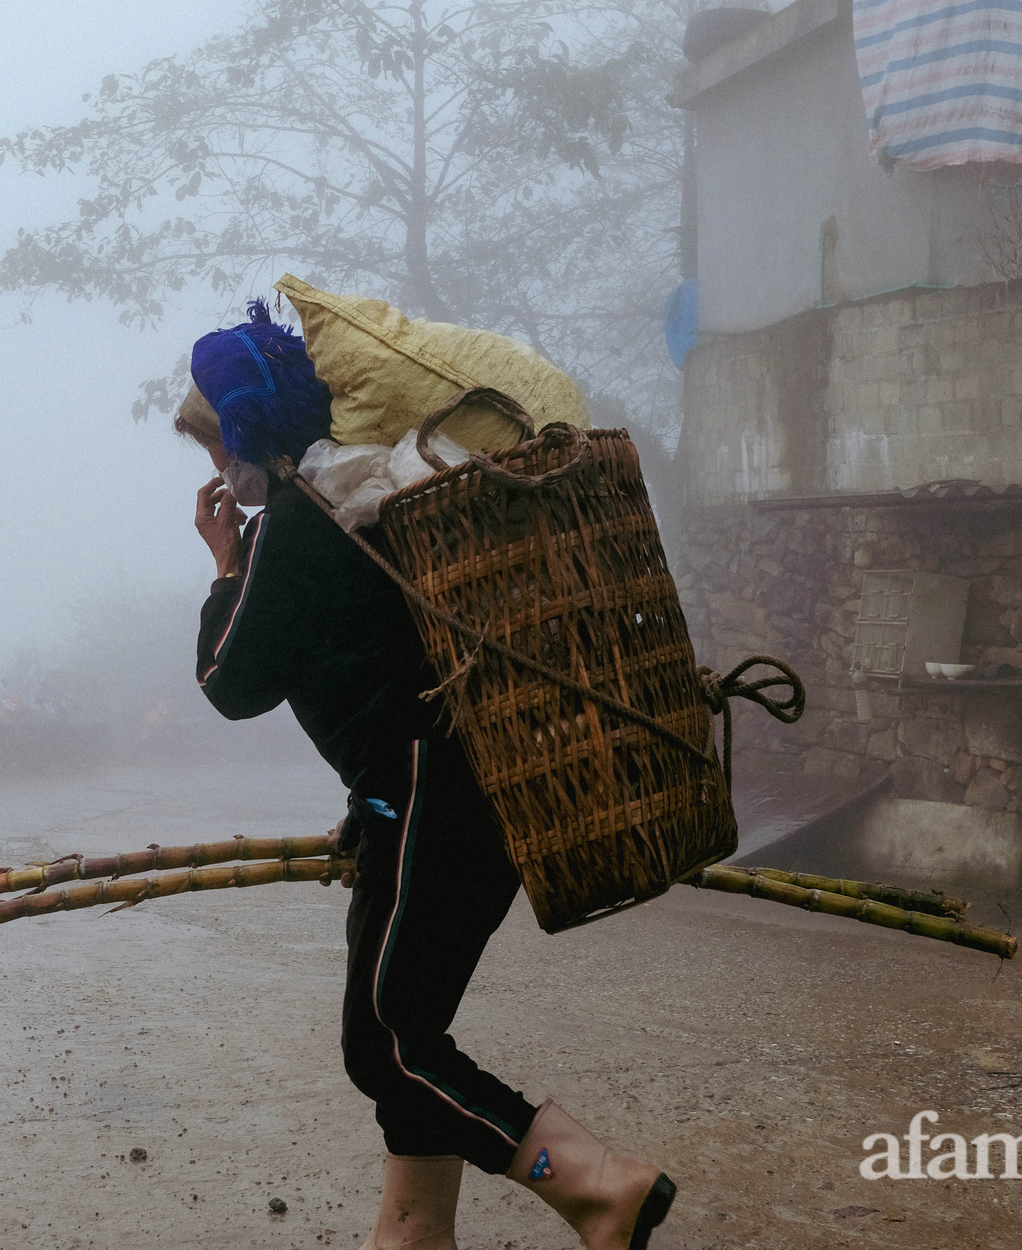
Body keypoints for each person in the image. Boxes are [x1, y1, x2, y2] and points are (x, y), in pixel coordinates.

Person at [178, 300, 676, 1250]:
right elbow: (385, 679)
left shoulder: (303, 524)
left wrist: (223, 566)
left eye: (213, 446)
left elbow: (229, 682)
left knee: (385, 1048)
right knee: (414, 1031)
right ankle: (412, 1231)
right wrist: (365, 820)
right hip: (440, 794)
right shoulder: (367, 502)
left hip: (426, 797)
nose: (214, 473)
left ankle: (593, 1183)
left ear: (246, 431)